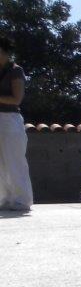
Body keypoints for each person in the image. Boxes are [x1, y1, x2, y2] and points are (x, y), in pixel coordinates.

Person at [0, 35, 34, 213]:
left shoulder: (15, 70)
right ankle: (5, 198)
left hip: (9, 119)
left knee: (14, 160)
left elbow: (16, 99)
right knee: (1, 163)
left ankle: (22, 200)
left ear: (5, 51)